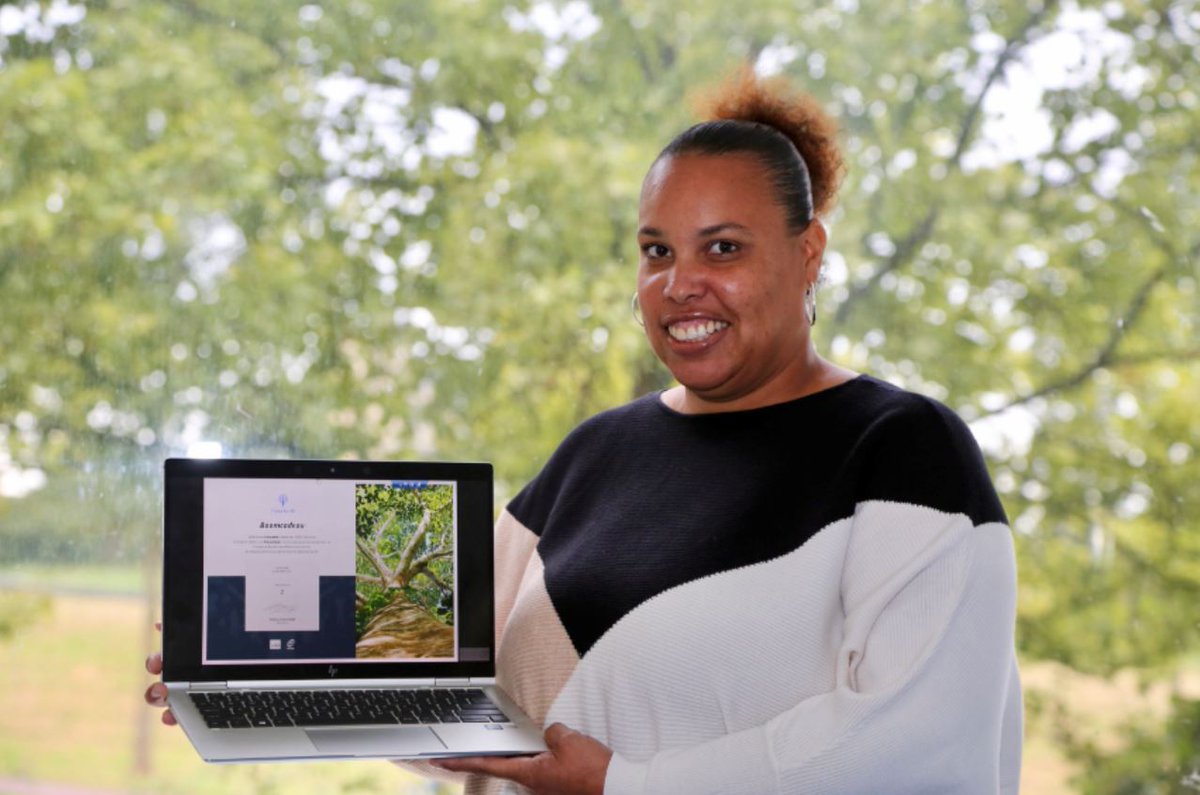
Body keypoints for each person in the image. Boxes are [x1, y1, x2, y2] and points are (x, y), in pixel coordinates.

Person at [146, 71, 1022, 794]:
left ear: (809, 253)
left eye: (723, 248)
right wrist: (265, 682)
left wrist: (622, 782)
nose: (680, 284)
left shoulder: (902, 450)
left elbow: (922, 748)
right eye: (656, 250)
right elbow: (468, 700)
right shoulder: (596, 452)